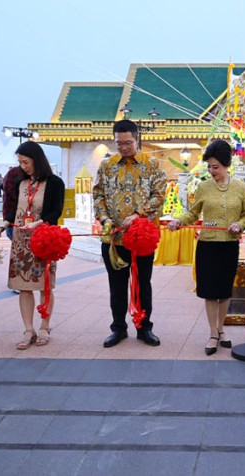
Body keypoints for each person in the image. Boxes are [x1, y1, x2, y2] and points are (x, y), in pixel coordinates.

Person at [167, 140, 245, 355]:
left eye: (216, 167)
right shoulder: (203, 187)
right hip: (208, 245)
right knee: (210, 293)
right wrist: (179, 221)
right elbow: (193, 213)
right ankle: (213, 333)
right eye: (209, 167)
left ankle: (221, 330)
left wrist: (238, 225)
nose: (212, 171)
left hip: (229, 245)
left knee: (224, 291)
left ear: (226, 165)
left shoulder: (240, 188)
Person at [93, 120, 166, 348]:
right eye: (119, 143)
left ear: (137, 139)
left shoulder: (152, 164)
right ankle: (118, 328)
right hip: (114, 239)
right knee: (116, 285)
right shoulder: (107, 166)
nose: (123, 148)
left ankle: (144, 328)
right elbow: (98, 195)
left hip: (141, 238)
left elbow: (159, 194)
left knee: (143, 283)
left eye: (128, 143)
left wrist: (138, 214)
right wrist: (104, 219)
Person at [4, 141, 65, 349]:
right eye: (20, 162)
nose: (23, 166)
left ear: (37, 160)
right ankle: (28, 329)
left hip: (43, 239)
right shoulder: (20, 182)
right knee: (23, 286)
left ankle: (44, 326)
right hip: (21, 240)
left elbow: (56, 211)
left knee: (44, 285)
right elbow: (14, 209)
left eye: (26, 162)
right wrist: (5, 223)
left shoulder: (55, 182)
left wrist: (41, 222)